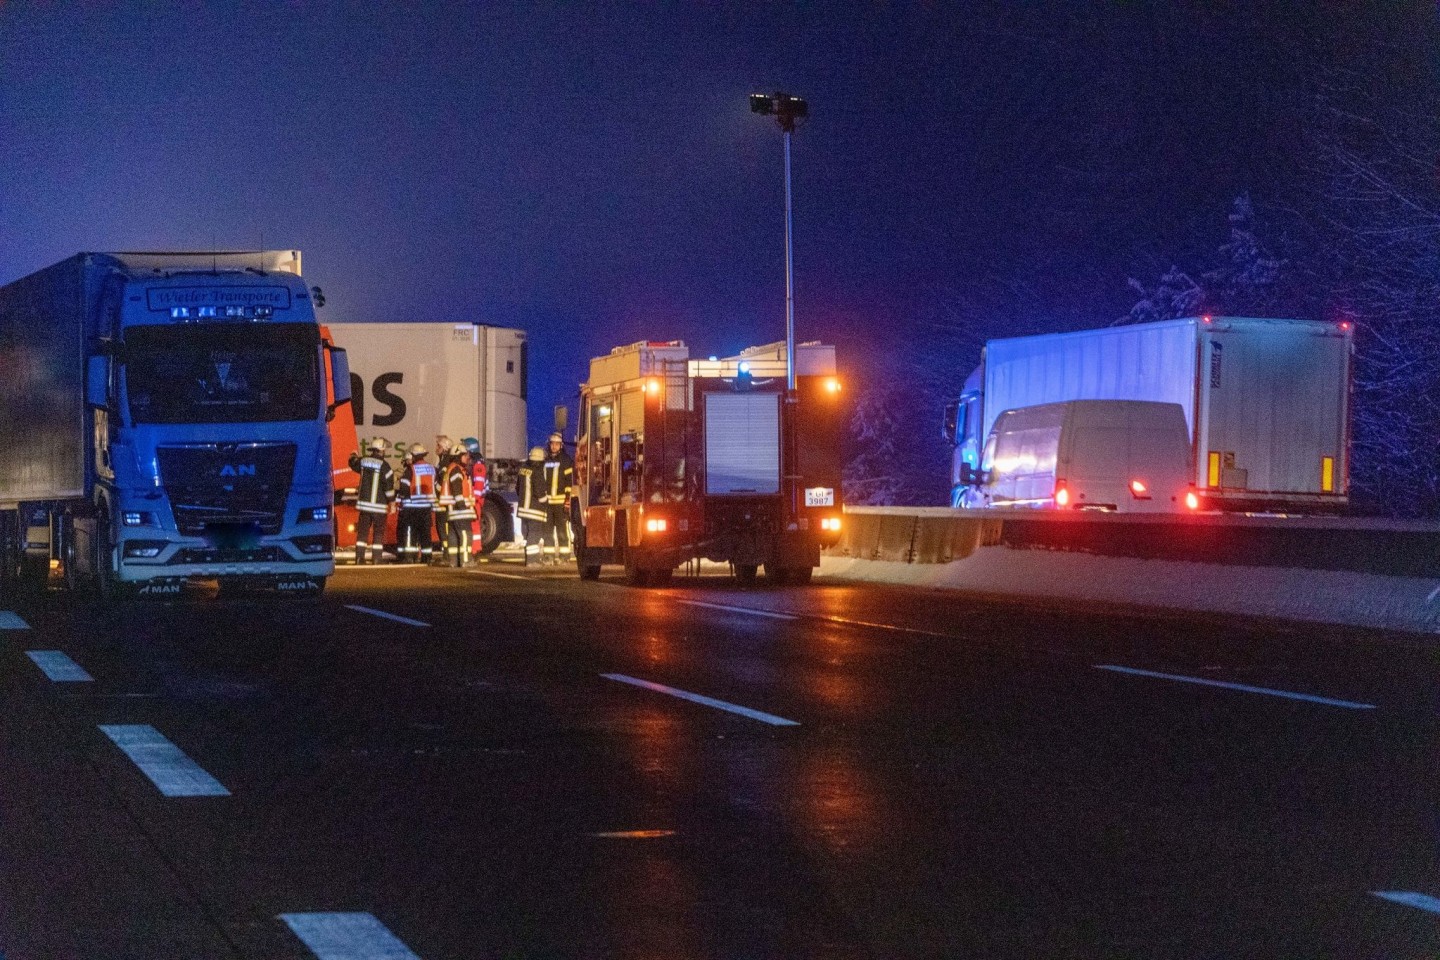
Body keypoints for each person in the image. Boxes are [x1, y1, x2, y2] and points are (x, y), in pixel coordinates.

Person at [347, 437, 395, 564]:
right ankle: (377, 558)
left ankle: (359, 557)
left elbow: (353, 463)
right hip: (379, 507)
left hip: (364, 507)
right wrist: (392, 502)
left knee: (362, 533)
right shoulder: (386, 467)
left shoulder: (363, 461)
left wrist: (353, 456)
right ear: (381, 450)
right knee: (378, 533)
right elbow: (389, 488)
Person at [397, 444, 437, 564]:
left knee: (410, 532)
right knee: (425, 533)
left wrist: (401, 500)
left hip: (412, 507)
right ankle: (427, 556)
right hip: (426, 507)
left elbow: (404, 487)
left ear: (414, 456)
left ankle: (410, 556)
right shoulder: (432, 468)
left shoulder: (411, 469)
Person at [539, 432, 575, 564]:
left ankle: (564, 557)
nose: (554, 446)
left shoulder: (566, 461)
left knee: (561, 531)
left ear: (561, 446)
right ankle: (548, 556)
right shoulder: (545, 460)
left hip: (560, 503)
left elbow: (569, 483)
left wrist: (567, 501)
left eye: (557, 444)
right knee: (547, 531)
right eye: (552, 444)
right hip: (547, 502)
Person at [442, 444, 478, 567]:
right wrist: (462, 505)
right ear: (458, 456)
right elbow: (457, 489)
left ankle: (454, 561)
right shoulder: (457, 470)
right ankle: (466, 560)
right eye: (465, 455)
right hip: (460, 511)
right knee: (465, 534)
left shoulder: (451, 468)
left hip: (452, 511)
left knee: (453, 536)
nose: (467, 457)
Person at [517, 445, 547, 566]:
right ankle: (532, 560)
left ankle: (528, 558)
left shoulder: (523, 469)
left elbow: (517, 488)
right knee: (534, 535)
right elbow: (540, 493)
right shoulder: (538, 471)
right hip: (534, 510)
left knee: (527, 535)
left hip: (523, 510)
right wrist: (546, 502)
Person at [462, 437, 489, 563]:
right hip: (474, 499)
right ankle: (474, 550)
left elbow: (478, 485)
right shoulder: (474, 462)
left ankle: (475, 551)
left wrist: (474, 499)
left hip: (476, 500)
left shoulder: (478, 465)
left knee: (474, 525)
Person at [433, 435, 454, 563]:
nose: (436, 448)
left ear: (445, 448)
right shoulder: (442, 461)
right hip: (441, 501)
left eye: (439, 446)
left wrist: (436, 488)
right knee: (441, 527)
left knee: (443, 527)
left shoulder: (445, 462)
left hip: (444, 502)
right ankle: (446, 553)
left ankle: (447, 555)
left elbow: (443, 482)